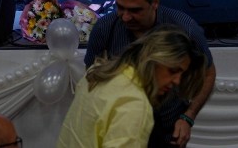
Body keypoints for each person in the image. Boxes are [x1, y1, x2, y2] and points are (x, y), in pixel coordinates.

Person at [85, 0, 217, 147]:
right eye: (120, 7)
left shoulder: (184, 28)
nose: (125, 17)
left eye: (135, 10)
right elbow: (91, 78)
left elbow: (208, 73)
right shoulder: (105, 28)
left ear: (155, 2)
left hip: (167, 133)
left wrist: (188, 116)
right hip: (118, 132)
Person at [60, 27, 207, 148]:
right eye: (173, 70)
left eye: (182, 75)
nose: (177, 81)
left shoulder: (96, 73)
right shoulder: (134, 104)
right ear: (152, 60)